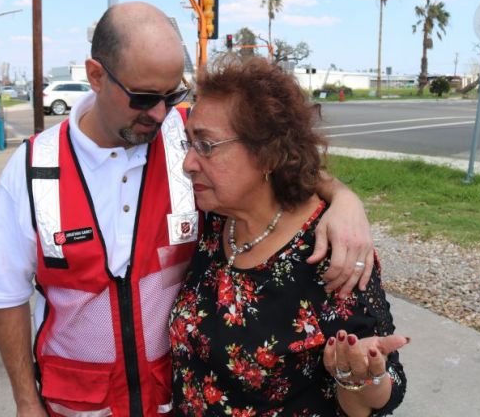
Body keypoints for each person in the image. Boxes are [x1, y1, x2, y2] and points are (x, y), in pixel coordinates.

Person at [0, 2, 377, 417]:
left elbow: (275, 156)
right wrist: (27, 402)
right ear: (96, 76)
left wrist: (345, 199)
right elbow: (6, 296)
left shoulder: (188, 138)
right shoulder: (34, 171)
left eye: (173, 94)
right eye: (144, 97)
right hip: (76, 405)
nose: (159, 113)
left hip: (172, 400)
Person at [170, 56, 408, 416]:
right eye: (188, 143)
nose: (188, 163)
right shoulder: (214, 222)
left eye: (205, 145)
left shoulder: (328, 253)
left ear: (266, 154)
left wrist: (357, 376)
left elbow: (377, 396)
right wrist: (344, 193)